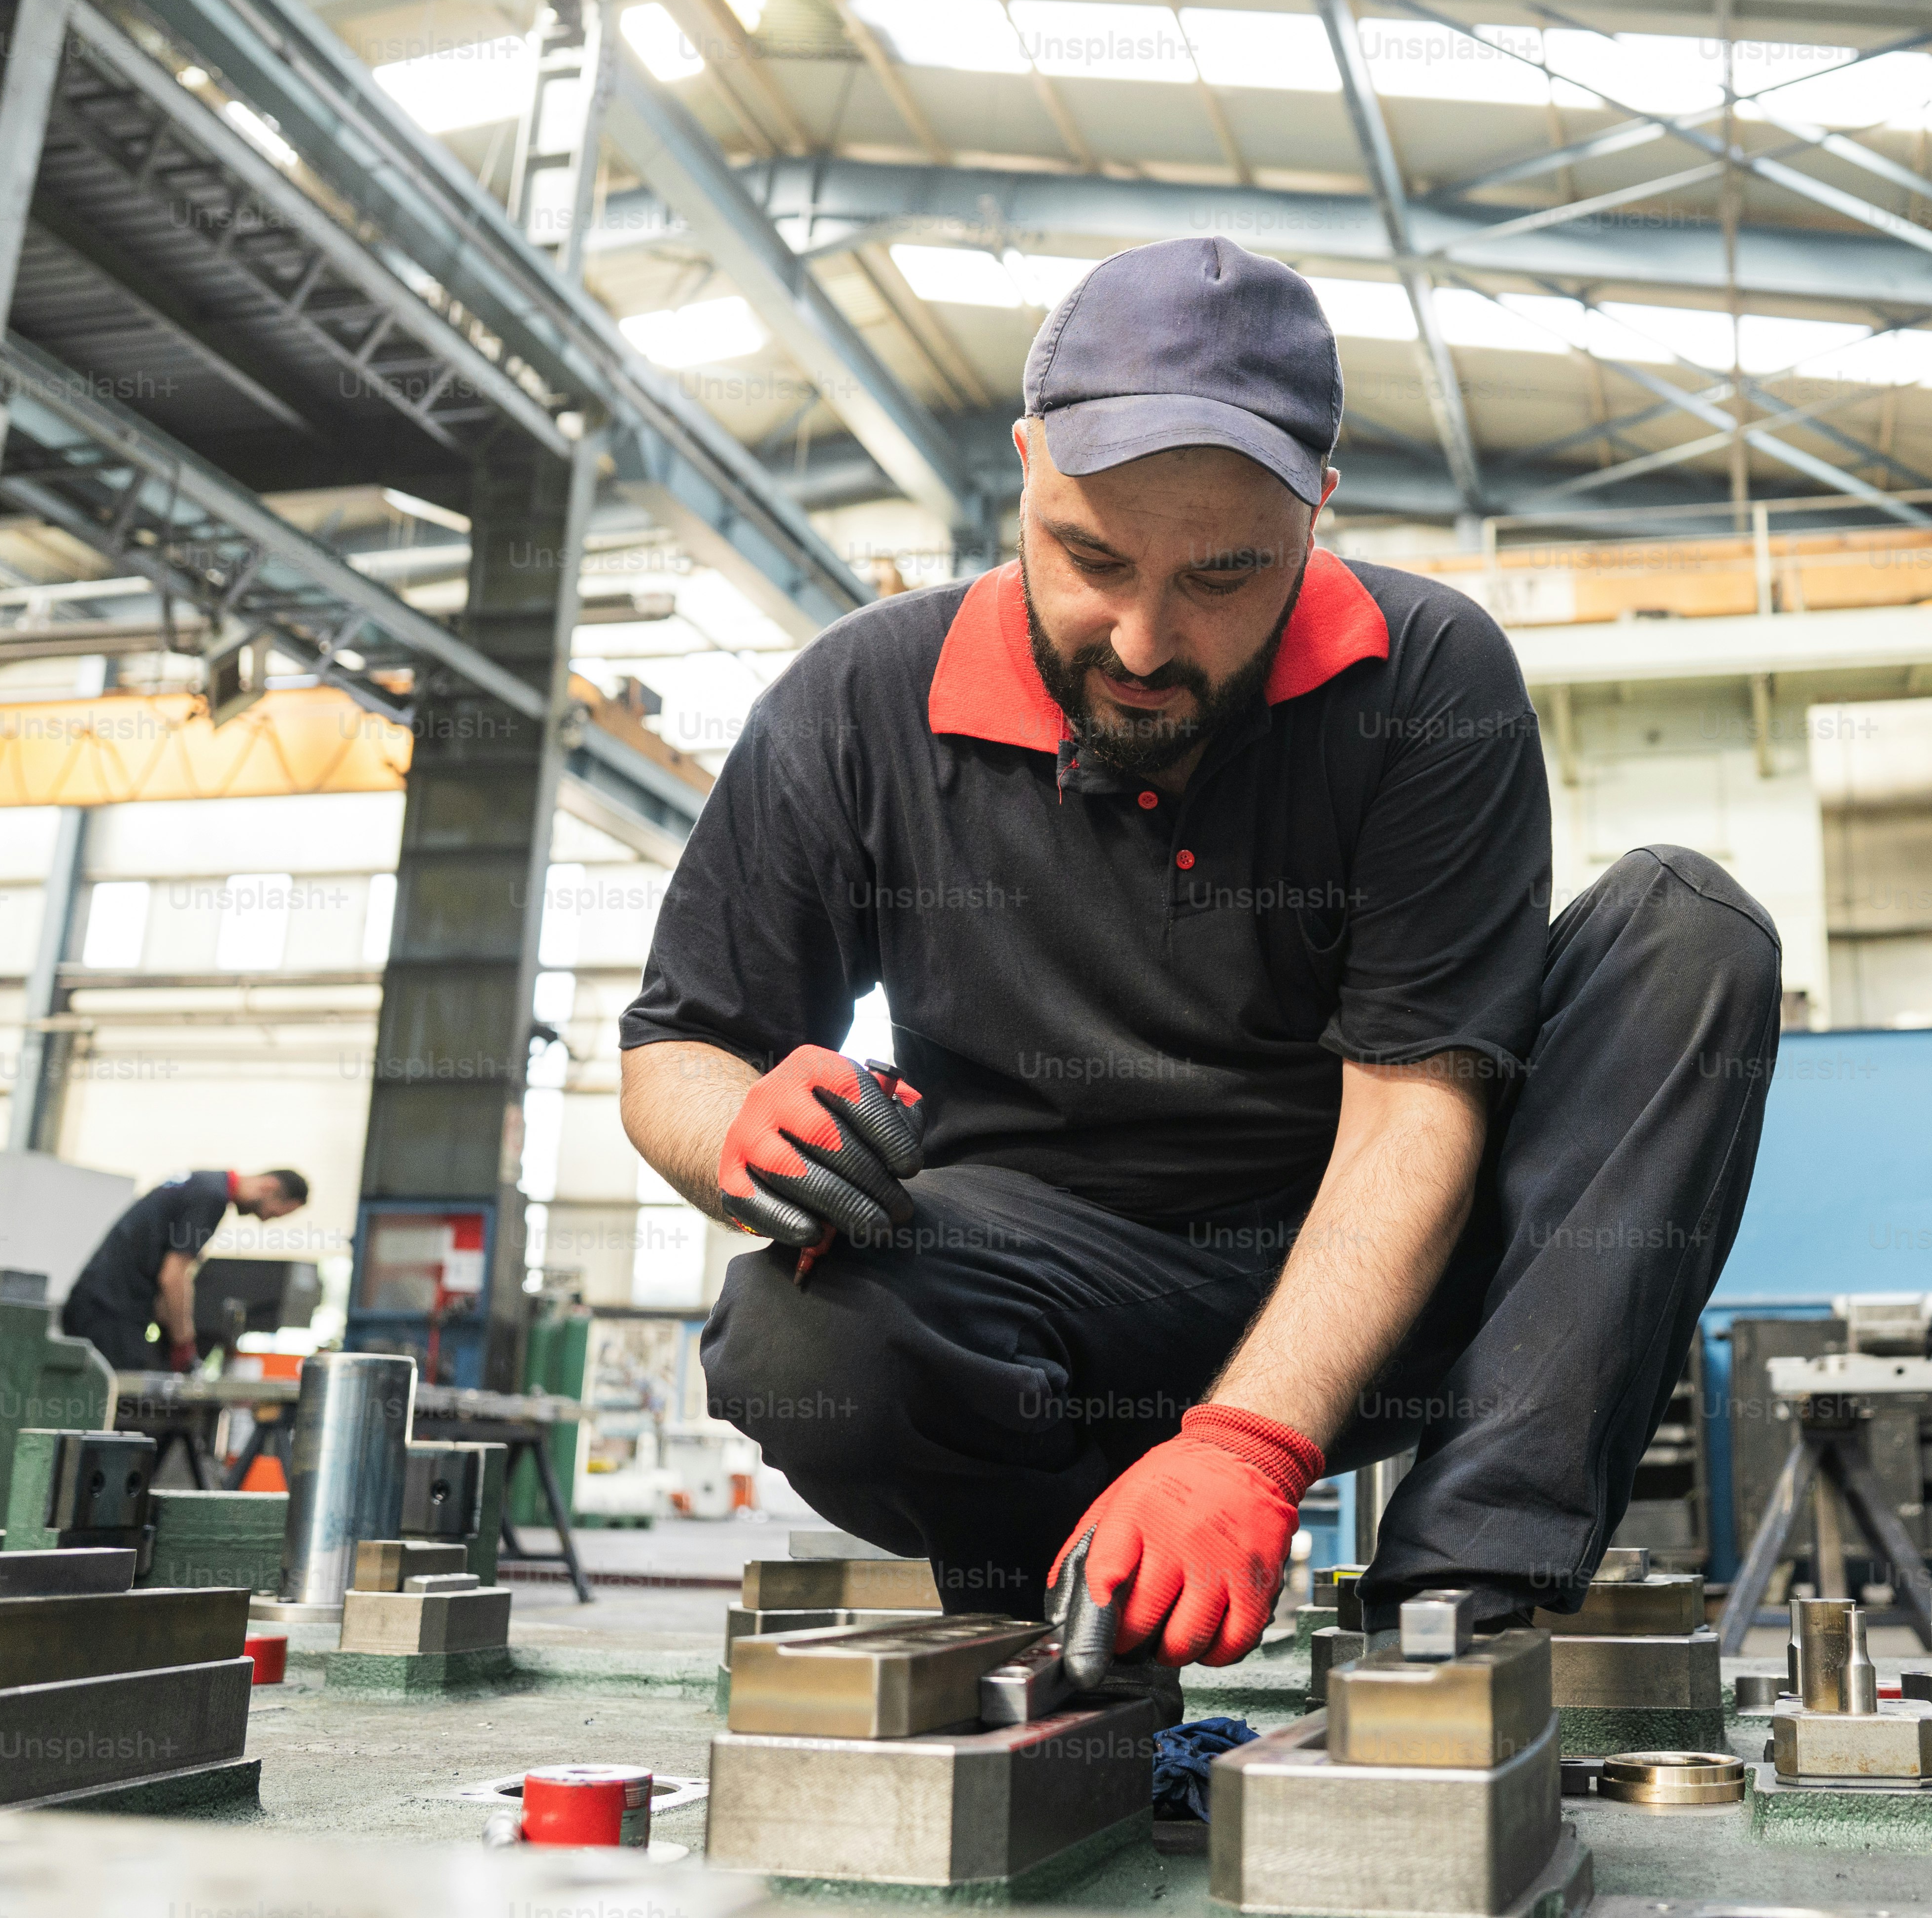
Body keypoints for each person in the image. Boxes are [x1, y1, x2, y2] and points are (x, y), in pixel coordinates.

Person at [618, 235, 1782, 1670]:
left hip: (1380, 1284)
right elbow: (674, 1041)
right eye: (1089, 557)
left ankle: (1451, 1603)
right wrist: (734, 1121)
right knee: (800, 1341)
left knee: (1690, 929)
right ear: (1025, 467)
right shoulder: (857, 703)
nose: (1146, 637)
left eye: (1225, 576)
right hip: (1038, 1319)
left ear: (1315, 512)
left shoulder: (1423, 675)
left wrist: (1248, 1445)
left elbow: (1415, 1107)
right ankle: (1075, 1593)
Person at [59, 1169, 308, 1372]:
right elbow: (173, 1277)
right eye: (272, 1214)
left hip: (97, 1304)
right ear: (269, 1187)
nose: (265, 1220)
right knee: (116, 1406)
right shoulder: (212, 1197)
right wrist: (184, 1345)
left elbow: (161, 1275)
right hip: (109, 1313)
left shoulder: (202, 1183)